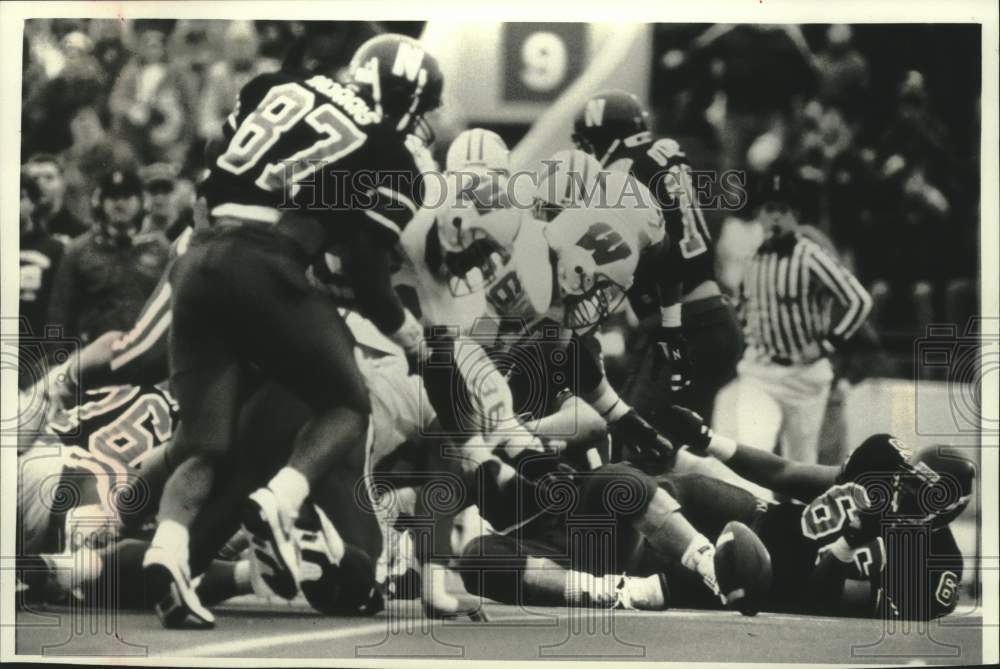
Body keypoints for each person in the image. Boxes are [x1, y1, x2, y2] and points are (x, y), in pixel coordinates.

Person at [142, 32, 443, 628]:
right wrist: (413, 337)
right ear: (407, 99)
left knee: (206, 443)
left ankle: (168, 550)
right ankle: (281, 503)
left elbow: (215, 150)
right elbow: (366, 269)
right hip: (267, 270)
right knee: (346, 404)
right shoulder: (392, 153)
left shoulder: (281, 83)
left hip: (198, 258)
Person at [660, 405, 972, 620]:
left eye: (920, 493)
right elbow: (784, 472)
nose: (904, 491)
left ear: (945, 511)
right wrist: (708, 439)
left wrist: (849, 542)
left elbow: (820, 602)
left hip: (764, 579)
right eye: (908, 481)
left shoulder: (935, 569)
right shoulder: (883, 464)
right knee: (669, 491)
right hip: (760, 516)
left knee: (657, 573)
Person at [572, 90, 743, 429]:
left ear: (603, 138)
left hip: (683, 329)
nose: (584, 154)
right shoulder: (667, 154)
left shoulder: (619, 175)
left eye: (586, 144)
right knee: (687, 450)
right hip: (715, 318)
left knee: (635, 446)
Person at [718, 165, 873, 466]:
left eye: (783, 210)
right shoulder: (752, 257)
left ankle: (793, 512)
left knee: (801, 461)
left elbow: (859, 300)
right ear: (759, 215)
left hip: (804, 376)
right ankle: (755, 510)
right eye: (768, 209)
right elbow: (742, 306)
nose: (775, 217)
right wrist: (750, 338)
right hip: (760, 371)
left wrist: (828, 344)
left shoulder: (811, 256)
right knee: (754, 447)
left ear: (795, 215)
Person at [45, 168, 170, 346]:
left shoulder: (160, 247)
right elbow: (59, 312)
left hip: (147, 353)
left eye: (127, 197)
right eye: (112, 198)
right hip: (94, 354)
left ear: (141, 201)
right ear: (100, 203)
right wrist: (57, 357)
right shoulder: (79, 250)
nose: (119, 204)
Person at [19, 174, 66, 346]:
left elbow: (61, 308)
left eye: (19, 197)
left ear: (33, 202)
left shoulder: (55, 249)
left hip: (35, 349)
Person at [23, 154, 90, 241]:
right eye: (35, 179)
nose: (40, 184)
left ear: (63, 183)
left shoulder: (81, 234)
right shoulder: (21, 230)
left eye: (49, 177)